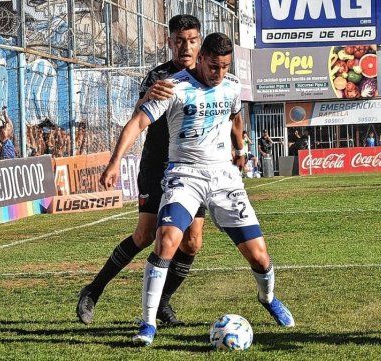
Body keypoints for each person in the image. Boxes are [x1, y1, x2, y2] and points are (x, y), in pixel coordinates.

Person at [99, 32, 294, 346]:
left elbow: (235, 117)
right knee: (166, 241)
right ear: (201, 58)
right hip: (184, 176)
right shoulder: (173, 87)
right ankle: (147, 325)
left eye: (224, 66)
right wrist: (113, 161)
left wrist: (240, 150)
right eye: (213, 66)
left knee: (259, 257)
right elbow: (137, 122)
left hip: (224, 179)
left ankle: (268, 298)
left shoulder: (230, 86)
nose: (218, 73)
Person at [77, 14, 206, 327]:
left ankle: (161, 303)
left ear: (199, 42)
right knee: (145, 235)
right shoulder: (159, 78)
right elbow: (137, 120)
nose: (185, 47)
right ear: (169, 42)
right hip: (156, 167)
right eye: (178, 41)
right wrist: (115, 161)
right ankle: (93, 290)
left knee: (192, 243)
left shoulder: (208, 75)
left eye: (191, 40)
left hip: (192, 170)